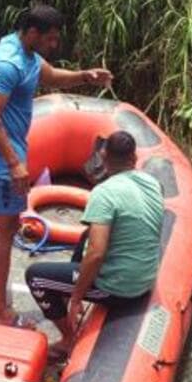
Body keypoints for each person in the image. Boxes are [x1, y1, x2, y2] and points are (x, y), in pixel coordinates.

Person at [0, 4, 112, 325]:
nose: (54, 44)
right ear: (33, 33)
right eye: (50, 38)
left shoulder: (26, 52)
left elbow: (49, 76)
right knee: (7, 226)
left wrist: (84, 76)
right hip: (2, 153)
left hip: (3, 149)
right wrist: (14, 163)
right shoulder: (6, 64)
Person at [24, 130, 163, 361]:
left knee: (36, 276)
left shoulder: (104, 193)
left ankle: (68, 340)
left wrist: (77, 297)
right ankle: (65, 293)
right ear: (134, 157)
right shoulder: (152, 183)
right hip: (144, 276)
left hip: (118, 286)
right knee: (86, 234)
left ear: (104, 157)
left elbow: (97, 253)